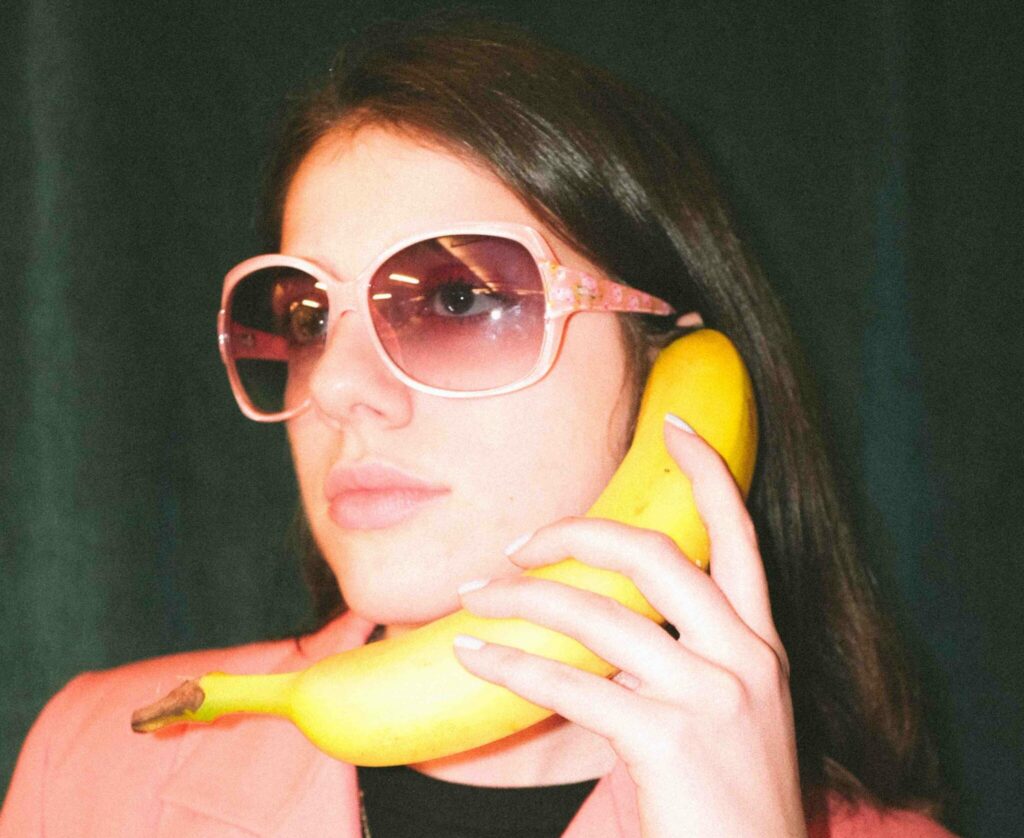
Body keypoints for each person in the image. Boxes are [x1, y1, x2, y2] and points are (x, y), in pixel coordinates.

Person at [0, 13, 952, 837]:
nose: (338, 387)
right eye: (307, 316)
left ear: (673, 376)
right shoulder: (89, 766)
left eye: (456, 301)